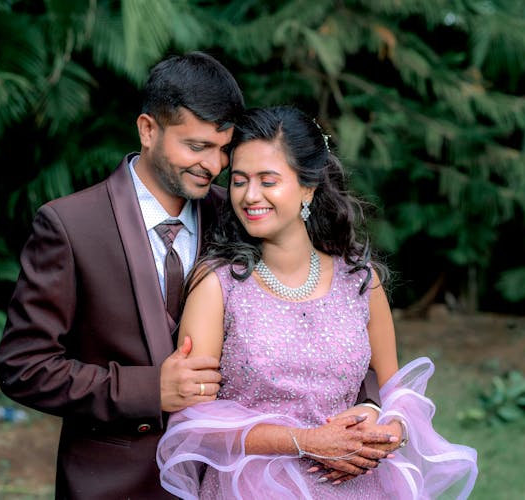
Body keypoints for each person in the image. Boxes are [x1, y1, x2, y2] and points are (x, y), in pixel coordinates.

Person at [156, 106, 478, 499]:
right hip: (252, 489)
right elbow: (195, 423)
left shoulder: (360, 280)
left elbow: (395, 393)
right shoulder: (217, 285)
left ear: (308, 186)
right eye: (239, 181)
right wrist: (306, 440)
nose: (250, 196)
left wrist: (389, 428)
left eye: (267, 181)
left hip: (358, 486)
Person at [0, 52, 245, 499]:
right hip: (111, 483)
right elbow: (24, 367)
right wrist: (148, 389)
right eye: (197, 146)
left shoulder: (236, 215)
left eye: (223, 149)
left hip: (225, 479)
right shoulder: (70, 226)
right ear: (148, 129)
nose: (214, 166)